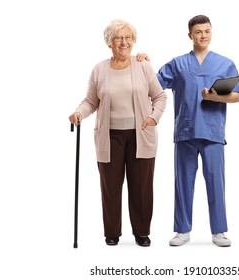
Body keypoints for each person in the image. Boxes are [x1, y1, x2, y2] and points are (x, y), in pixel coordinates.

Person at [69, 19, 167, 247]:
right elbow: (90, 101)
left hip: (140, 135)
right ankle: (112, 232)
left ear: (133, 41)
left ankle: (142, 232)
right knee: (110, 187)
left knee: (141, 187)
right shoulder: (99, 69)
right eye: (118, 38)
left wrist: (153, 117)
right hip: (109, 136)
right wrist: (78, 113)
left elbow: (160, 96)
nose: (124, 42)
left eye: (128, 37)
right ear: (109, 42)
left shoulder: (143, 65)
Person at [156, 15, 239, 247]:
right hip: (185, 130)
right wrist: (142, 62)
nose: (203, 35)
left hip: (213, 131)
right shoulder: (177, 64)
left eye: (207, 31)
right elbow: (154, 84)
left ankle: (219, 231)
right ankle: (182, 231)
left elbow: (237, 96)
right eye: (198, 32)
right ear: (190, 35)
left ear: (211, 33)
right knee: (183, 182)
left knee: (216, 181)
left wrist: (216, 97)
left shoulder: (225, 64)